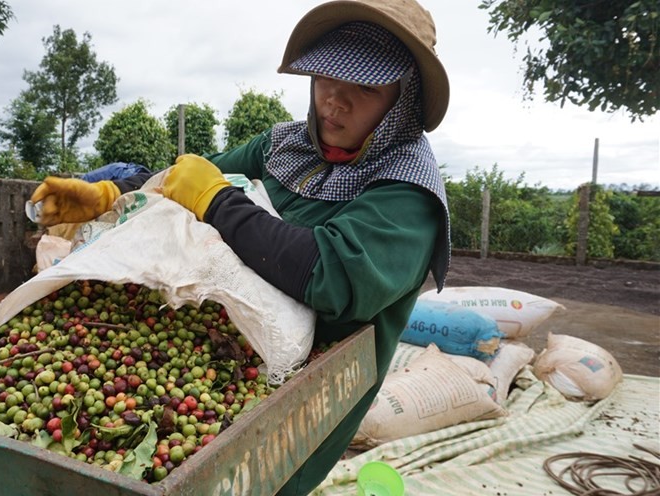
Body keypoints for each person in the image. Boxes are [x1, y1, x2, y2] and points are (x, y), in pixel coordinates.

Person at [29, 0, 451, 492]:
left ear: (403, 100)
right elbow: (190, 179)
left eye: (365, 88)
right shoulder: (282, 147)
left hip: (294, 405)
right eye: (324, 77)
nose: (334, 100)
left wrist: (219, 203)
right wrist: (114, 194)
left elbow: (332, 277)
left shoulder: (408, 193)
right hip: (213, 350)